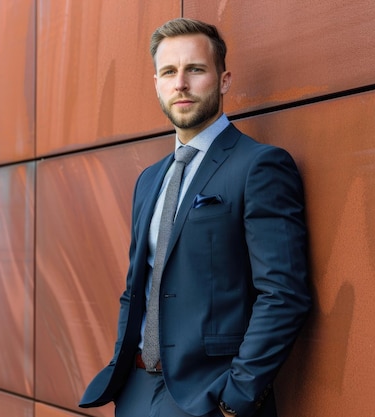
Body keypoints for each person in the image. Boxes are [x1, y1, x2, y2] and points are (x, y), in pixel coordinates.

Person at [80, 17, 311, 417]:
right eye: (169, 71)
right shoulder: (149, 180)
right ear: (156, 83)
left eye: (195, 69)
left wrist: (236, 397)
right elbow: (137, 285)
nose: (181, 83)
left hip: (209, 398)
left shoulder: (259, 166)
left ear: (223, 80)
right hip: (135, 394)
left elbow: (284, 294)